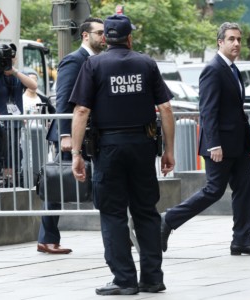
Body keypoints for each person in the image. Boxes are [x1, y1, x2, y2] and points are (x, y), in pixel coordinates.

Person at [70, 14, 175, 296]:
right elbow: (165, 108)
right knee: (146, 212)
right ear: (130, 38)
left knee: (113, 214)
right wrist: (169, 150)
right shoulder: (147, 64)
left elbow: (81, 111)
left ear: (106, 39)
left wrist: (76, 153)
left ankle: (124, 279)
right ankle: (152, 278)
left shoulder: (93, 64)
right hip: (143, 145)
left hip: (109, 149)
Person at [160, 22, 250, 257]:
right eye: (231, 39)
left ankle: (242, 239)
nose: (237, 44)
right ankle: (168, 219)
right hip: (220, 144)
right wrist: (214, 144)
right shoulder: (213, 69)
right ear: (220, 42)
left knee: (245, 190)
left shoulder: (232, 69)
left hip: (239, 144)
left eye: (239, 39)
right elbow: (208, 111)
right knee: (213, 190)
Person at [37, 17, 106, 255]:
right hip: (70, 136)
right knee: (57, 184)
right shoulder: (73, 60)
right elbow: (63, 99)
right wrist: (65, 134)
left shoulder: (101, 61)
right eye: (99, 33)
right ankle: (46, 239)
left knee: (103, 181)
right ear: (85, 35)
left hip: (91, 133)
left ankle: (121, 233)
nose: (104, 37)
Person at [0, 43, 38, 188]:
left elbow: (34, 86)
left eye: (11, 58)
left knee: (12, 155)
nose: (8, 61)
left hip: (13, 124)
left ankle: (9, 185)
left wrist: (14, 71)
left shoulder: (16, 74)